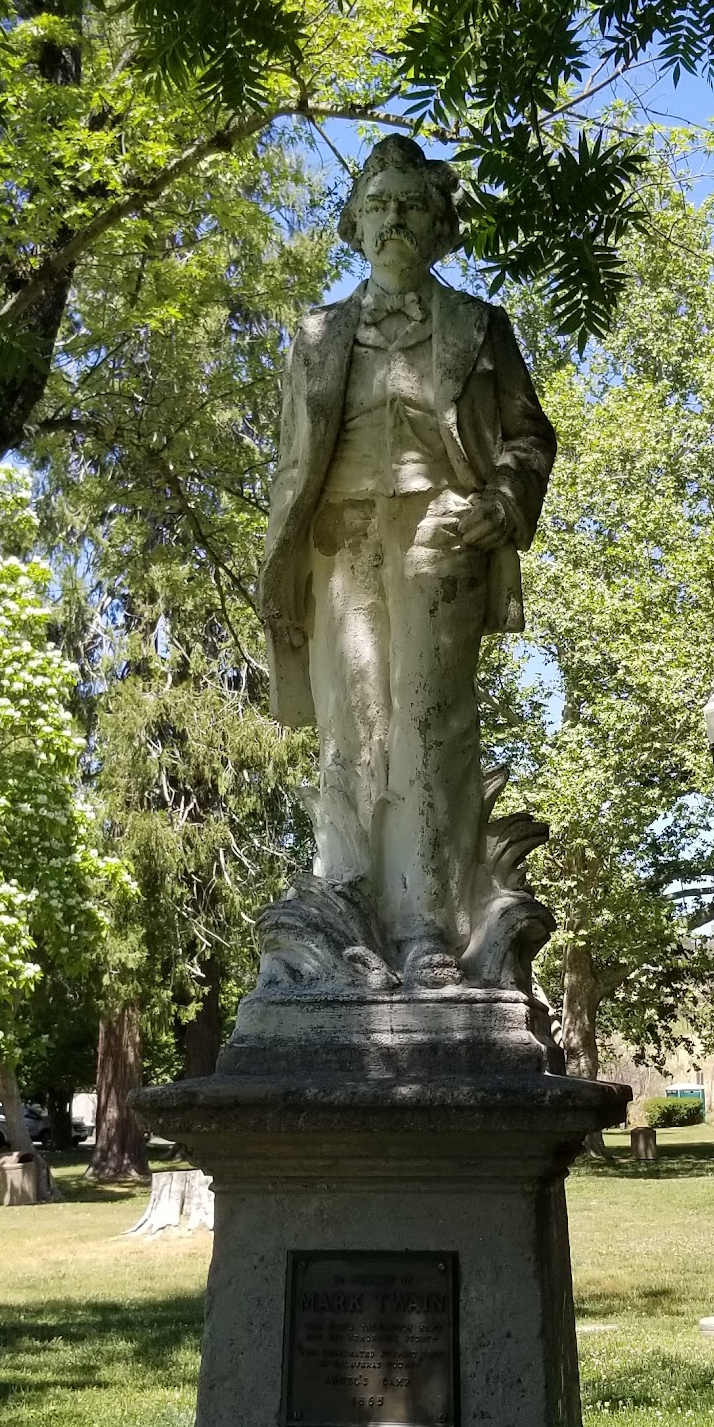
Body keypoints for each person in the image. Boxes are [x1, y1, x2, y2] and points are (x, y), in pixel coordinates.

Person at [259, 135, 556, 988]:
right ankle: (343, 908)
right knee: (352, 728)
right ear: (355, 223)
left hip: (443, 529)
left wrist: (500, 502)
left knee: (429, 724)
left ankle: (429, 931)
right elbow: (291, 460)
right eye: (379, 204)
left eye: (412, 206)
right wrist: (279, 565)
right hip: (337, 538)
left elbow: (529, 436)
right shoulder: (317, 334)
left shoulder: (478, 325)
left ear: (439, 227)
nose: (394, 219)